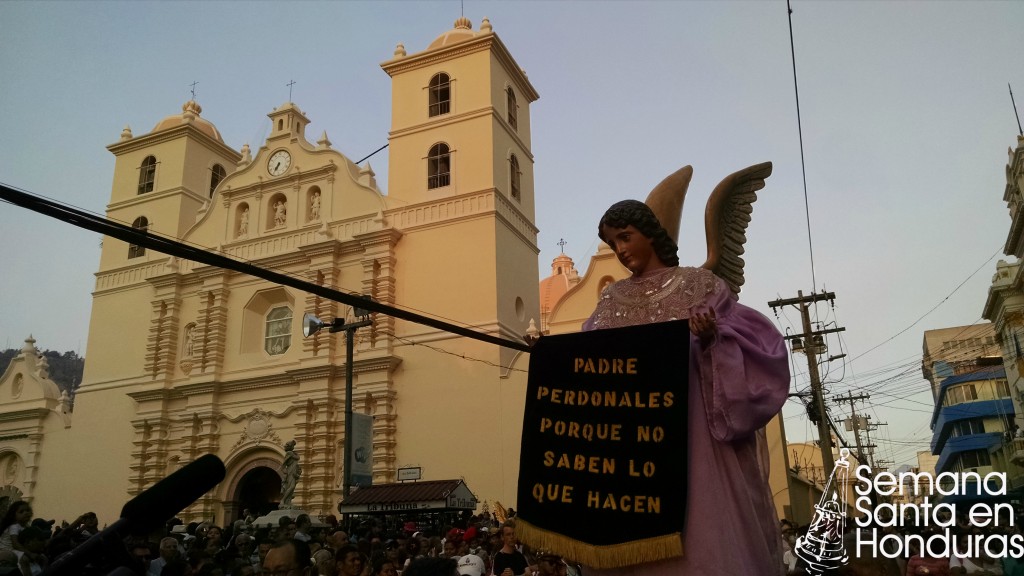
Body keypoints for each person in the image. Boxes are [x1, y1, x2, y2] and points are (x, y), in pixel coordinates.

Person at [580, 200, 789, 576]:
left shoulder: (699, 285)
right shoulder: (611, 301)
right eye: (613, 244)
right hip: (632, 447)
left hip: (695, 439)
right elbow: (590, 358)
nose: (621, 251)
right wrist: (549, 357)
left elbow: (755, 343)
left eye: (626, 237)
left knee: (703, 536)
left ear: (651, 234)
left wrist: (713, 341)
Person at [281, 440, 301, 508]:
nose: (293, 447)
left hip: (293, 471)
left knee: (291, 488)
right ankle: (283, 500)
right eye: (292, 446)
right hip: (291, 471)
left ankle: (288, 502)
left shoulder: (291, 453)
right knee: (291, 487)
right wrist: (296, 453)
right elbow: (297, 458)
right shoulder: (290, 453)